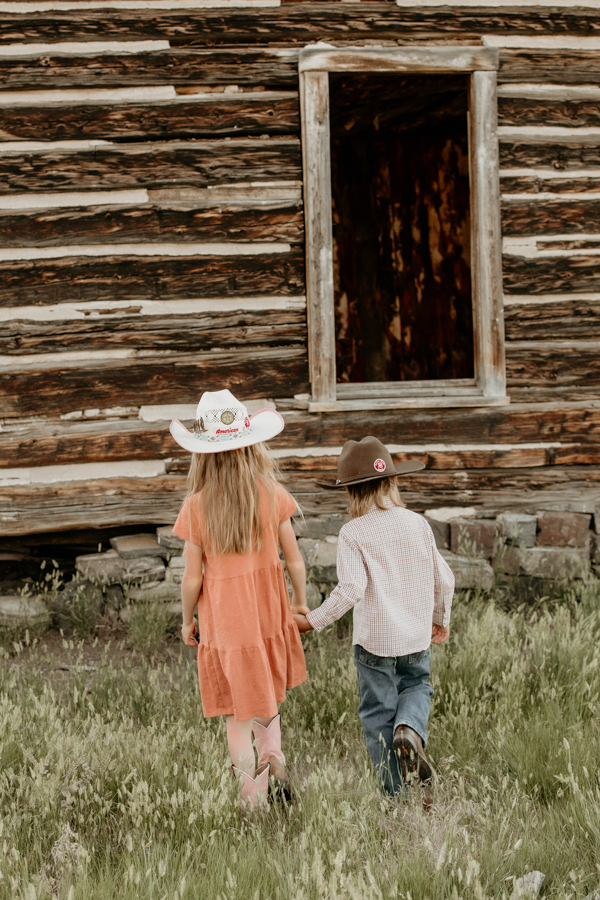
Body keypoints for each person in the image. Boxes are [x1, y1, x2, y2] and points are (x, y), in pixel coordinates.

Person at [169, 389, 309, 808]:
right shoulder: (271, 493)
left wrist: (186, 620)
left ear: (204, 455)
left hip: (227, 626)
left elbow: (192, 578)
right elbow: (295, 560)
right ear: (252, 447)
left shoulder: (196, 507)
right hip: (267, 615)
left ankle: (253, 801)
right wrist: (299, 603)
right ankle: (275, 757)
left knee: (236, 716)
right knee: (264, 692)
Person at [293, 435, 454, 797]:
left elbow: (349, 590)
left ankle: (394, 794)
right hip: (415, 635)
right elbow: (443, 577)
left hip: (374, 643)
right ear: (392, 481)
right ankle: (410, 728)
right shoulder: (417, 523)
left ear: (351, 491)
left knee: (377, 713)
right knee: (417, 685)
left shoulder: (353, 533)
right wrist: (440, 617)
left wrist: (311, 621)